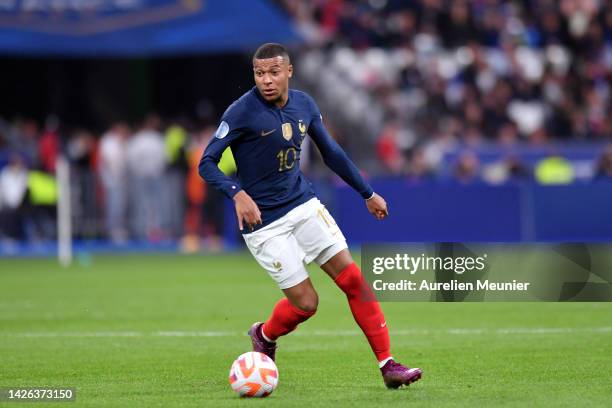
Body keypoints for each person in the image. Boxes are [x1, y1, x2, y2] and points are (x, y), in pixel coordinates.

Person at [199, 43, 422, 389]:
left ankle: (388, 364)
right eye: (260, 73)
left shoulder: (304, 104)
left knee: (354, 282)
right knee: (306, 304)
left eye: (274, 72)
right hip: (265, 224)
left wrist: (367, 192)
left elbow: (331, 152)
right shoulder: (241, 112)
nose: (266, 80)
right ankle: (264, 334)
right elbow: (206, 162)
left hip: (303, 206)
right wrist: (237, 193)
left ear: (289, 72)